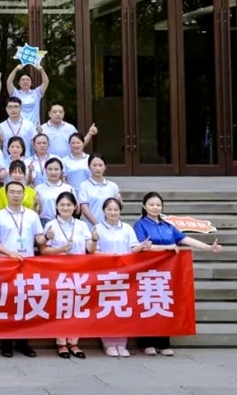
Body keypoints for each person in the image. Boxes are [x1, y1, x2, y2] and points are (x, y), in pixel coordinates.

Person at [133, 191, 223, 356]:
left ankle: (163, 342)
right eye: (151, 204)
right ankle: (146, 342)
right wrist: (167, 247)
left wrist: (209, 247)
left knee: (164, 305)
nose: (155, 207)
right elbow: (142, 246)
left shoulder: (167, 226)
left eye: (158, 205)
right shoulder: (140, 225)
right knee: (148, 304)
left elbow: (185, 239)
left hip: (167, 272)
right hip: (147, 271)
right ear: (144, 206)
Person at [0, 181, 45, 358]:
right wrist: (9, 253)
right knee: (7, 303)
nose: (16, 195)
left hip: (27, 263)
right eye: (12, 192)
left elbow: (39, 240)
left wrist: (47, 237)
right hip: (6, 263)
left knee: (26, 303)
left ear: (24, 194)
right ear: (6, 194)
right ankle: (6, 343)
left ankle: (23, 342)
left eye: (19, 192)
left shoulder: (32, 215)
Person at [40, 191, 97, 359]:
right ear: (57, 207)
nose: (65, 208)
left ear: (75, 207)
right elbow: (44, 251)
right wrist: (60, 250)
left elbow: (90, 249)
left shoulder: (82, 225)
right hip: (58, 271)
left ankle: (74, 342)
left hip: (79, 270)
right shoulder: (51, 225)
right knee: (61, 306)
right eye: (62, 205)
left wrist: (94, 240)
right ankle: (61, 343)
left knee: (77, 306)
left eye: (69, 205)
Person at [94, 197, 151, 358]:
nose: (113, 212)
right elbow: (93, 251)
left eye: (116, 209)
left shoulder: (127, 228)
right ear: (104, 211)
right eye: (109, 209)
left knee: (123, 308)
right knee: (107, 309)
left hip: (125, 273)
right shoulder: (97, 228)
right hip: (105, 273)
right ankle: (108, 343)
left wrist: (142, 246)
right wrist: (111, 256)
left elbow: (133, 248)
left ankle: (121, 342)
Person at [78, 153, 120, 226]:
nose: (97, 168)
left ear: (105, 167)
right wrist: (98, 225)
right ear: (89, 167)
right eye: (94, 165)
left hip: (110, 226)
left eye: (100, 165)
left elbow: (117, 207)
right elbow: (84, 209)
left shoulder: (113, 186)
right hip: (90, 226)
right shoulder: (84, 186)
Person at [34, 158, 75, 226]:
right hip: (44, 222)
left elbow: (76, 209)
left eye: (56, 169)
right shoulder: (38, 188)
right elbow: (35, 208)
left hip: (64, 222)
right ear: (45, 171)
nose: (53, 172)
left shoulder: (68, 188)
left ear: (61, 171)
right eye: (50, 169)